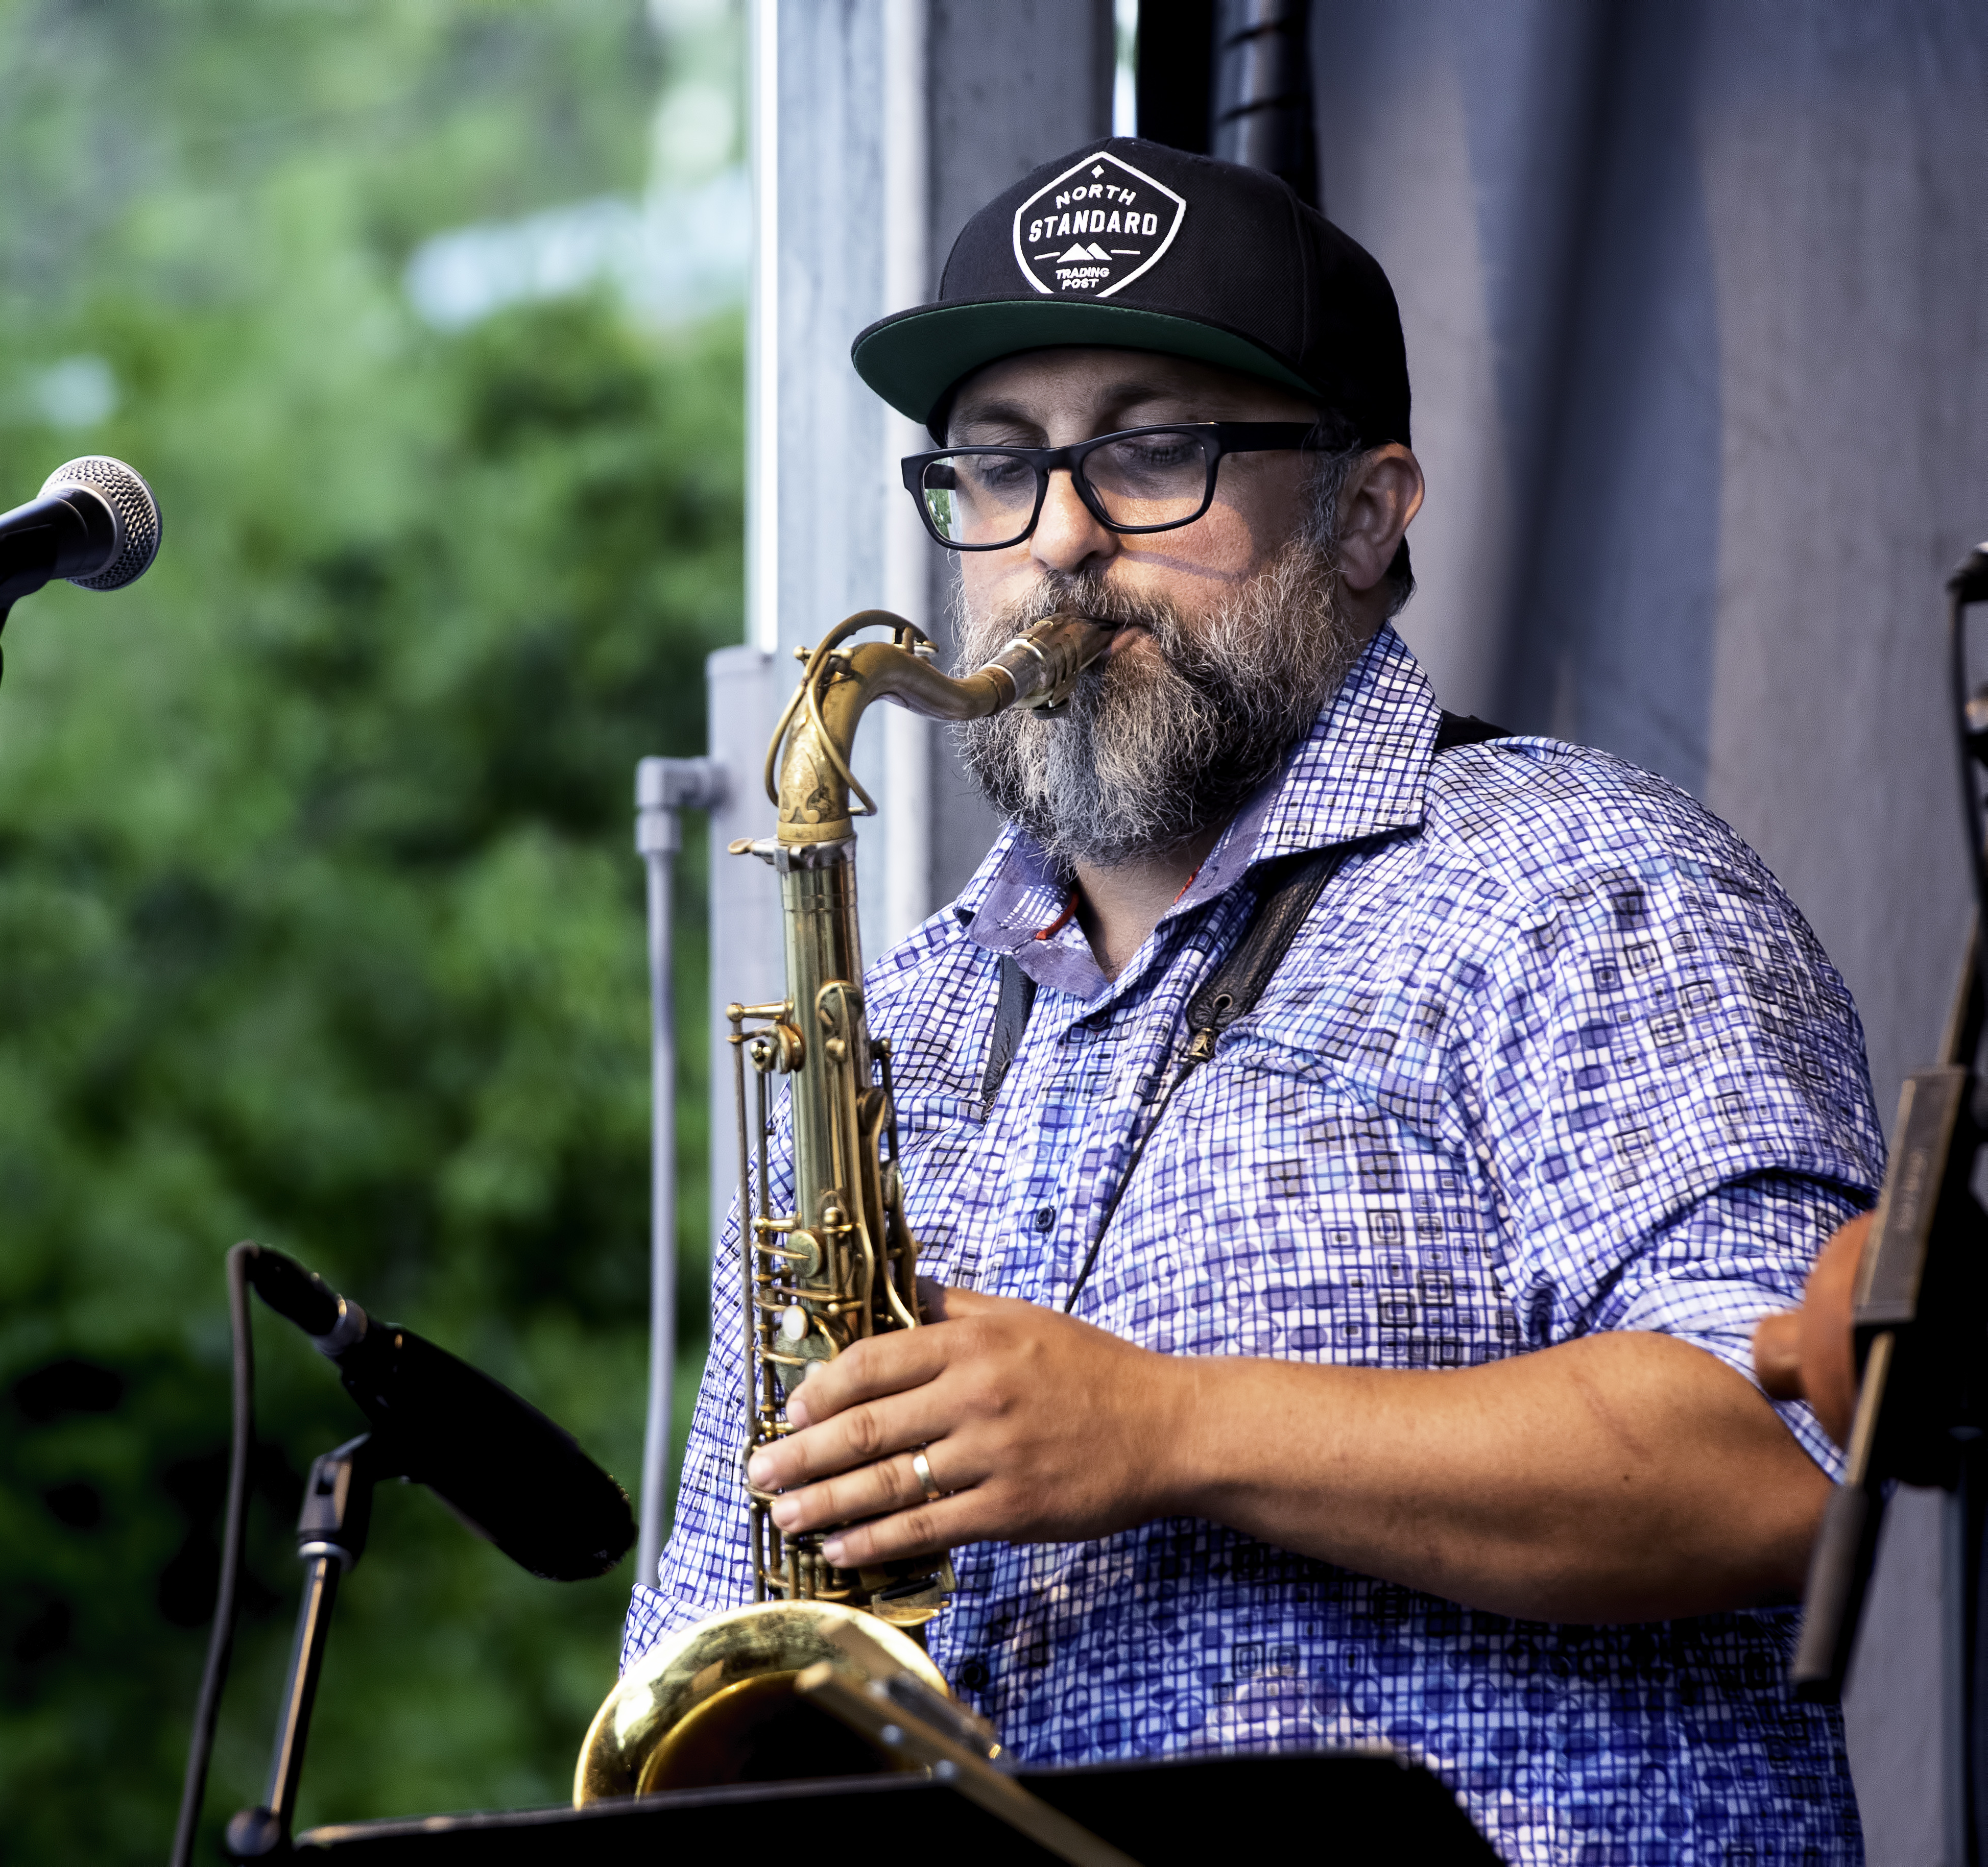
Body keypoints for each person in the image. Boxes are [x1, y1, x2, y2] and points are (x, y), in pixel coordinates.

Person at [625, 140, 1878, 1863]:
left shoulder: (1591, 887)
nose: (1057, 539)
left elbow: (1798, 1453)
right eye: (998, 468)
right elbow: (700, 1670)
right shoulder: (895, 1021)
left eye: (1153, 452)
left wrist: (1168, 1426)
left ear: (1366, 512)